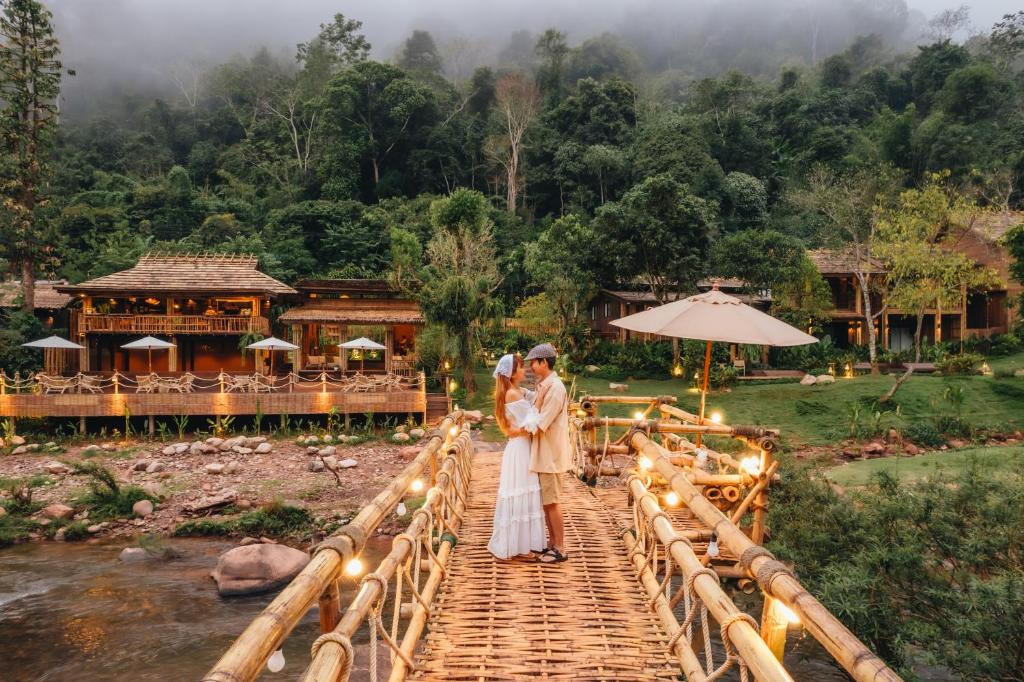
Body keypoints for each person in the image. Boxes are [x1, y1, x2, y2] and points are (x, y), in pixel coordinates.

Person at [487, 353, 546, 560]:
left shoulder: (517, 391)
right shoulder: (512, 394)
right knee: (522, 490)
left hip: (520, 446)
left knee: (523, 491)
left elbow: (532, 400)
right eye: (521, 367)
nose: (524, 370)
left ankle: (521, 543)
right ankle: (520, 547)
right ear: (512, 373)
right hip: (521, 448)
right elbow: (530, 422)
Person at [525, 343, 570, 564]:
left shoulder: (556, 388)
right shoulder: (545, 385)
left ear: (544, 362)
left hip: (550, 454)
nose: (531, 366)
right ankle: (552, 544)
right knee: (546, 502)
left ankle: (560, 547)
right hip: (543, 453)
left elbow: (542, 421)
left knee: (552, 501)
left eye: (533, 362)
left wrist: (516, 430)